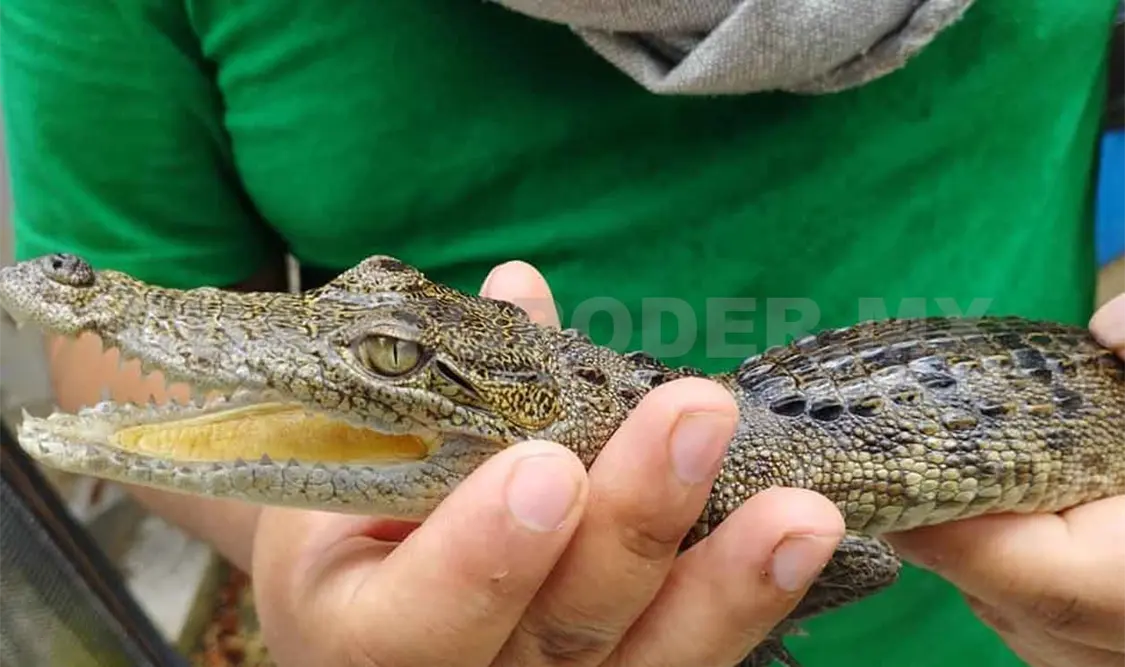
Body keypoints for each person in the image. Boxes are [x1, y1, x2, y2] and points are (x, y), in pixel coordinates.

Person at [2, 1, 1123, 665]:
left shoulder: (727, 480)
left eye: (390, 353)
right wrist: (320, 569)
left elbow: (864, 560)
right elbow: (121, 297)